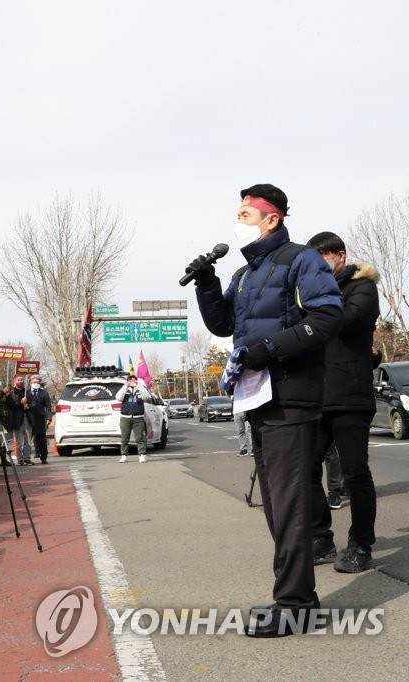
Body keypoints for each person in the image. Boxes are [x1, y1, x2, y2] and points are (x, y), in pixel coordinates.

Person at [189, 183, 342, 637]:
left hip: (291, 396)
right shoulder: (244, 274)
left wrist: (270, 348)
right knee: (276, 504)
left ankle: (295, 605)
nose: (238, 222)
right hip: (257, 399)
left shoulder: (301, 259)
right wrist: (206, 282)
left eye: (245, 214)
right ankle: (299, 597)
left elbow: (327, 317)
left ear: (271, 218)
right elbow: (223, 325)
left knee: (290, 503)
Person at [305, 231, 380, 573]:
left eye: (321, 260)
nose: (316, 268)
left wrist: (316, 302)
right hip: (316, 396)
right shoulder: (310, 295)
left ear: (339, 255)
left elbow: (348, 321)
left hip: (350, 395)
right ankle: (322, 539)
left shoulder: (362, 288)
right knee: (305, 470)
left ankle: (361, 543)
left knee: (355, 474)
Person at [115, 374, 151, 463]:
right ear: (127, 381)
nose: (132, 381)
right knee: (124, 438)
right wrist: (125, 386)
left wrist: (138, 385)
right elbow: (118, 397)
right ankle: (124, 455)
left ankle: (141, 454)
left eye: (134, 380)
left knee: (140, 438)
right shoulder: (125, 389)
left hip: (138, 417)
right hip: (125, 417)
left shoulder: (140, 389)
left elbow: (146, 397)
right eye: (130, 380)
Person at [25, 376, 52, 464]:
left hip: (40, 418)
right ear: (30, 382)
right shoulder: (26, 392)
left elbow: (48, 406)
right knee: (28, 439)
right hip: (28, 418)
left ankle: (43, 457)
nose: (36, 383)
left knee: (41, 439)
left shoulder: (44, 392)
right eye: (34, 381)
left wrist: (48, 418)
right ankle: (27, 458)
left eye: (38, 382)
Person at [10, 376, 34, 465]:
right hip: (17, 419)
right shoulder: (12, 393)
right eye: (18, 380)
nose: (21, 381)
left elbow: (33, 404)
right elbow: (12, 406)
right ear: (15, 381)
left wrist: (28, 406)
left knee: (28, 440)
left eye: (22, 380)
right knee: (19, 441)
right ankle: (20, 459)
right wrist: (20, 403)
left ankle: (27, 457)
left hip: (27, 418)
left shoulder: (27, 392)